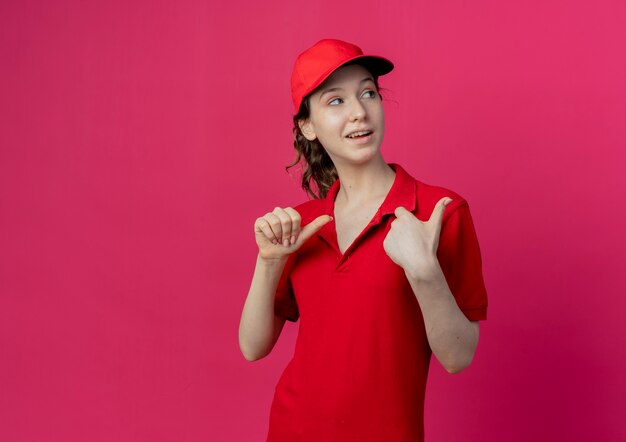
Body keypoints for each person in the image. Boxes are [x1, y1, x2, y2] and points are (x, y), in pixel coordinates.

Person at [238, 38, 488, 441]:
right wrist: (268, 262)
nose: (359, 112)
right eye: (335, 101)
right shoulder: (300, 225)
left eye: (368, 93)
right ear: (308, 126)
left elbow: (459, 357)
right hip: (291, 430)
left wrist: (424, 271)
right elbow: (252, 347)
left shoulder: (439, 212)